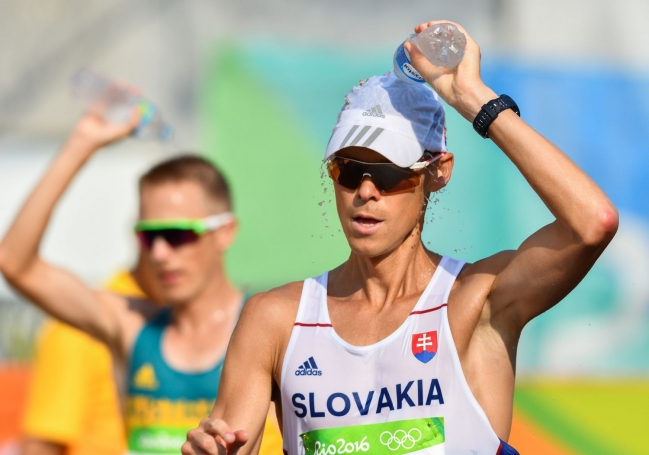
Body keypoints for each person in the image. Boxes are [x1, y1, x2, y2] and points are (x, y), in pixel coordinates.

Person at [180, 20, 618, 455]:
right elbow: (229, 444)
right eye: (349, 170)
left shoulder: (475, 302)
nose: (366, 191)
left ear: (438, 172)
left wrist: (475, 101)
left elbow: (591, 222)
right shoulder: (272, 319)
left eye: (389, 173)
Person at [0, 108, 282, 454]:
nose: (160, 253)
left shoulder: (274, 328)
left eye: (177, 234)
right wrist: (82, 143)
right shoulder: (133, 326)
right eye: (149, 237)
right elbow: (15, 263)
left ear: (225, 232)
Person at [21, 255, 161, 455]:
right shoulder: (81, 325)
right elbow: (41, 446)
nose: (163, 252)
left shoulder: (201, 322)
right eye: (154, 235)